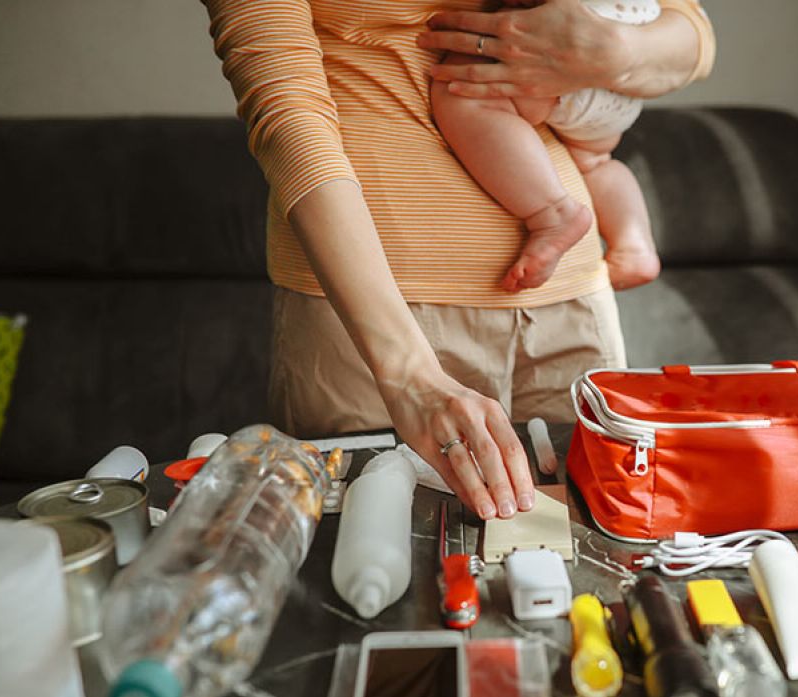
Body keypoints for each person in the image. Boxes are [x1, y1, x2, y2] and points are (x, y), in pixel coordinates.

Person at [201, 0, 714, 522]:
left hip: (570, 300)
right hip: (378, 322)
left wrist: (612, 49)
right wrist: (407, 372)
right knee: (377, 549)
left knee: (591, 554)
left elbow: (692, 35)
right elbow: (286, 111)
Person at [431, 0, 663, 294]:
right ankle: (633, 246)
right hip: (632, 54)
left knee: (467, 92)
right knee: (595, 161)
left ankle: (554, 213)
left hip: (562, 37)